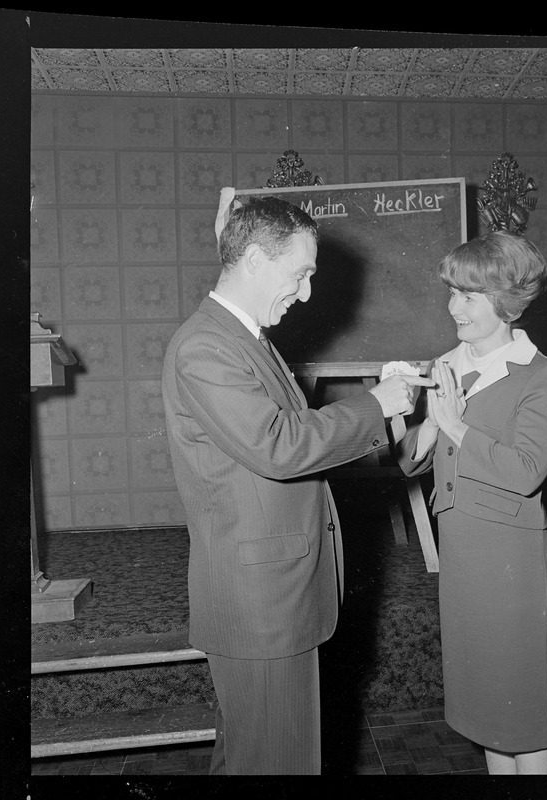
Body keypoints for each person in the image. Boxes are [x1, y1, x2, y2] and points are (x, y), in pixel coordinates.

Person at [162, 193, 433, 775]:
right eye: (300, 274)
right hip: (262, 603)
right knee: (278, 763)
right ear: (256, 261)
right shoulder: (207, 346)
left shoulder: (242, 337)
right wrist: (375, 407)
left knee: (253, 758)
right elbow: (279, 446)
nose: (307, 293)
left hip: (273, 593)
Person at [396, 230, 547, 775]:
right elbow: (410, 461)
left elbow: (526, 471)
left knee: (522, 704)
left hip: (507, 553)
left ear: (506, 301)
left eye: (468, 296)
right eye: (452, 292)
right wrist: (414, 413)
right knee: (488, 703)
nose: (453, 307)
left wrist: (456, 426)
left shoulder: (540, 375)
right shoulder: (448, 363)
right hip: (462, 549)